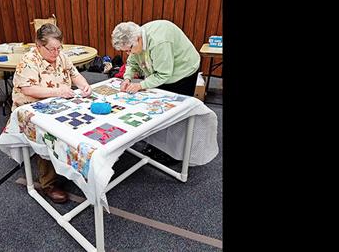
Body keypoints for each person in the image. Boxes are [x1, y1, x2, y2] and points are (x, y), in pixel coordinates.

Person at [12, 23, 92, 203]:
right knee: (50, 134)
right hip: (30, 109)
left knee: (80, 123)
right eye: (51, 49)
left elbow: (74, 74)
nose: (56, 53)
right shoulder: (28, 61)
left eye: (58, 48)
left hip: (57, 102)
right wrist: (58, 91)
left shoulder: (61, 56)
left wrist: (83, 84)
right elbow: (28, 90)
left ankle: (72, 166)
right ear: (38, 45)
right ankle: (48, 183)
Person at [110, 20, 200, 164]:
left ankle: (173, 155)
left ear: (138, 39)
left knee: (175, 114)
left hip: (183, 70)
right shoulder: (135, 40)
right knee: (158, 110)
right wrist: (127, 78)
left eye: (129, 49)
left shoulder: (159, 42)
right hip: (163, 70)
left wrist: (141, 85)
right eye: (125, 51)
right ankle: (158, 146)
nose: (128, 53)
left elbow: (164, 75)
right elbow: (132, 62)